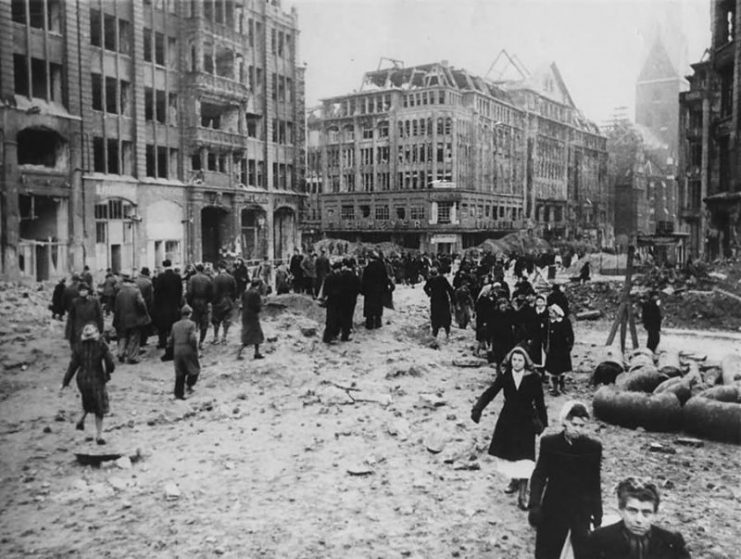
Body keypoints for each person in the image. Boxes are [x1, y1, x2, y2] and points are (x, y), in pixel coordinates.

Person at [471, 346, 548, 510]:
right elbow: (491, 392)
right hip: (508, 419)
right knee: (511, 453)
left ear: (526, 362)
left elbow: (540, 401)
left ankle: (522, 494)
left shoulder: (533, 378)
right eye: (514, 359)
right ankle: (514, 480)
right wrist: (478, 408)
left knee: (526, 456)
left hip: (527, 420)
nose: (517, 363)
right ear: (510, 360)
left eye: (520, 360)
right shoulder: (506, 375)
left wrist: (543, 421)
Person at [528, 401, 603, 559]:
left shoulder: (592, 448)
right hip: (554, 507)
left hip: (580, 511)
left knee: (580, 552)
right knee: (548, 551)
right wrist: (534, 504)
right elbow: (539, 475)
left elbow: (594, 483)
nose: (578, 429)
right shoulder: (549, 443)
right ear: (564, 422)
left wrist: (598, 515)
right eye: (574, 424)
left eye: (582, 426)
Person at [584, 477, 690, 559]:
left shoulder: (671, 541)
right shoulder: (599, 539)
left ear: (655, 513)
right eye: (632, 511)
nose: (639, 520)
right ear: (621, 510)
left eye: (646, 513)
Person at [60, 323, 115, 445]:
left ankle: (81, 419)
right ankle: (99, 435)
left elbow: (73, 365)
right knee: (99, 406)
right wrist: (109, 371)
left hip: (82, 379)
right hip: (97, 378)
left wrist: (65, 381)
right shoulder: (101, 344)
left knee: (88, 400)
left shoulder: (78, 346)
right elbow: (110, 362)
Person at [113, 274, 150, 364]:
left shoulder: (120, 293)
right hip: (134, 318)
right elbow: (141, 303)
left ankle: (121, 353)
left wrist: (117, 318)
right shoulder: (136, 291)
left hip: (122, 318)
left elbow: (116, 308)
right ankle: (132, 356)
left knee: (123, 336)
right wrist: (144, 313)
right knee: (134, 336)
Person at [168, 305, 201, 400]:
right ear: (190, 314)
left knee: (179, 373)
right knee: (195, 369)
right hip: (188, 349)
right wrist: (195, 349)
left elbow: (170, 340)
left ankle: (178, 394)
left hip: (177, 350)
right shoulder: (192, 324)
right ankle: (189, 385)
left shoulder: (175, 325)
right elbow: (193, 338)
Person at [153, 259, 183, 355]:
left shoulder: (160, 277)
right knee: (173, 324)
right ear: (171, 265)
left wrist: (157, 304)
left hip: (162, 305)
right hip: (174, 304)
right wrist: (178, 303)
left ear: (163, 266)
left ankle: (162, 342)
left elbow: (156, 292)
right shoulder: (177, 277)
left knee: (162, 325)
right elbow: (180, 291)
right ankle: (173, 341)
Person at [545, 304, 574, 396]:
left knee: (562, 368)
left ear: (557, 313)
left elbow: (570, 335)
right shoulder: (549, 322)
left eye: (552, 312)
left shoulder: (565, 322)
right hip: (553, 350)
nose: (550, 314)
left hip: (563, 349)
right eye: (549, 312)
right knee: (553, 369)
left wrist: (569, 345)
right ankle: (554, 387)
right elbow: (544, 335)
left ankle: (562, 385)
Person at [65, 282, 104, 351]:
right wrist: (69, 333)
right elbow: (71, 318)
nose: (83, 292)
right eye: (81, 290)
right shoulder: (75, 302)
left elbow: (100, 316)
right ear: (79, 292)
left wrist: (100, 330)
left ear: (88, 291)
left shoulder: (95, 301)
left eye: (84, 290)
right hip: (78, 331)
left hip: (91, 330)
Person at [361, 252, 391, 329]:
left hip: (369, 292)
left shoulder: (368, 268)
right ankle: (378, 323)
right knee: (378, 307)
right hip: (379, 291)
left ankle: (369, 324)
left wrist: (363, 291)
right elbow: (385, 279)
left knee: (369, 308)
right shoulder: (381, 267)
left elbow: (364, 281)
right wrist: (385, 289)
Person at [423, 267, 455, 340]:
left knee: (435, 317)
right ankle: (447, 333)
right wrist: (453, 300)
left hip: (435, 300)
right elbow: (450, 289)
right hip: (443, 300)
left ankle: (435, 334)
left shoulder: (430, 280)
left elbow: (425, 288)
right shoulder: (442, 279)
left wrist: (429, 294)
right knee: (446, 317)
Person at [186, 264, 213, 350]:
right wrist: (207, 301)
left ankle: (193, 341)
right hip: (204, 303)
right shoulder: (208, 279)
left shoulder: (192, 278)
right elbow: (211, 293)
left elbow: (189, 292)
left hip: (195, 302)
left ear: (196, 270)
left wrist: (190, 303)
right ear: (203, 270)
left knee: (194, 322)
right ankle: (201, 342)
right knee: (204, 324)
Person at [237, 279, 265, 360]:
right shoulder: (256, 293)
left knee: (248, 333)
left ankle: (255, 353)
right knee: (256, 333)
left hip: (245, 315)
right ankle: (255, 352)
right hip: (253, 315)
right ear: (258, 285)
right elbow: (257, 306)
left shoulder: (246, 292)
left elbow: (242, 302)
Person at [211, 261, 237, 345]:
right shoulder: (231, 278)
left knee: (216, 320)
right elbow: (235, 290)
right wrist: (232, 300)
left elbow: (214, 292)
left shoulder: (216, 278)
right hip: (228, 301)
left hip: (219, 302)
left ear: (219, 268)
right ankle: (224, 337)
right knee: (227, 320)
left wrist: (214, 301)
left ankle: (216, 338)